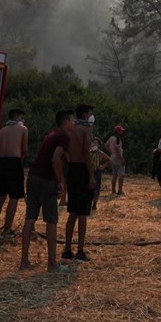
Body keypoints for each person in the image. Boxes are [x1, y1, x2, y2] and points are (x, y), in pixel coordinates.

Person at [19, 109, 73, 272]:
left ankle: (24, 261)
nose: (74, 124)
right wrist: (61, 181)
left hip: (33, 176)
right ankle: (52, 264)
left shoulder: (52, 134)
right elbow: (55, 159)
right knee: (51, 221)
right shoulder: (64, 136)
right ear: (66, 122)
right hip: (46, 180)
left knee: (30, 218)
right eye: (73, 121)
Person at [0, 107, 28, 240]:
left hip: (1, 164)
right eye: (21, 117)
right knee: (14, 197)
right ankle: (7, 230)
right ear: (16, 117)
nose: (22, 120)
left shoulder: (1, 131)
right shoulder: (23, 129)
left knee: (1, 196)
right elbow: (25, 150)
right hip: (14, 162)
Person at [63, 104, 96, 261]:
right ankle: (80, 250)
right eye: (89, 113)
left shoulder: (70, 128)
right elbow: (86, 152)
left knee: (73, 212)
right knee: (83, 213)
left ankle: (67, 249)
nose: (91, 115)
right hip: (82, 169)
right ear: (84, 114)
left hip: (71, 169)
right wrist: (91, 175)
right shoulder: (86, 129)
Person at [89, 137, 112, 211]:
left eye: (96, 143)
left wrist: (103, 167)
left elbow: (109, 160)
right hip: (89, 172)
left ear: (99, 145)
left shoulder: (100, 153)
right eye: (93, 142)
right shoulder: (88, 152)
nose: (94, 144)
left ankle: (94, 204)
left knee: (96, 189)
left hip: (97, 172)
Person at [106, 125, 126, 195]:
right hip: (117, 157)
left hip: (112, 157)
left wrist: (111, 152)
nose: (122, 132)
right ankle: (120, 190)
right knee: (121, 174)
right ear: (118, 132)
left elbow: (106, 145)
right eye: (121, 131)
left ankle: (113, 191)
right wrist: (121, 159)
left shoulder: (111, 138)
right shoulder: (117, 139)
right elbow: (117, 149)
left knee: (114, 174)